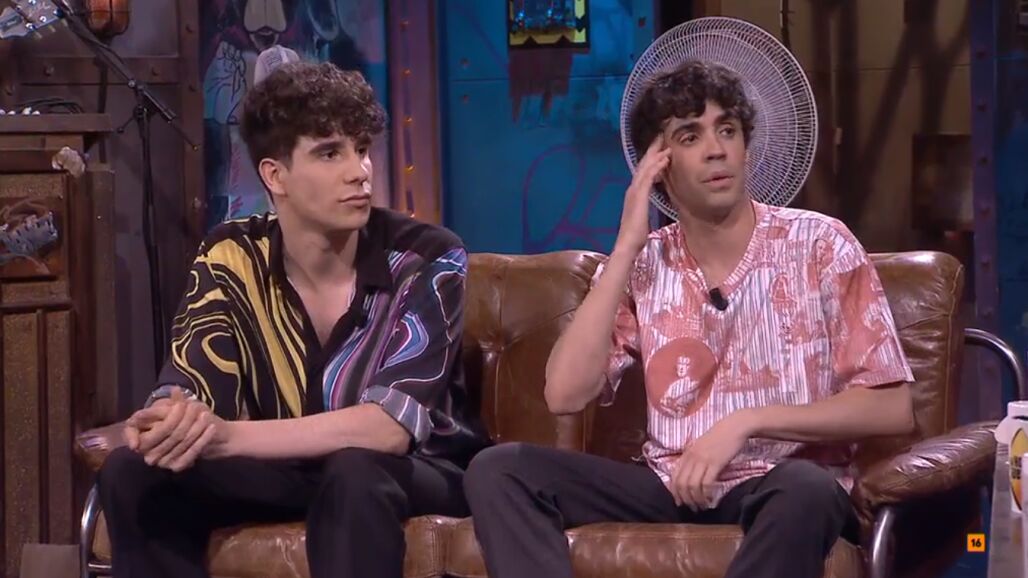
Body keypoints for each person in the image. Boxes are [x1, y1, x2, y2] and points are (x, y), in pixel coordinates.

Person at [463, 59, 916, 578]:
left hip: (781, 485)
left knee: (806, 488)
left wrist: (747, 422)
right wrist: (626, 246)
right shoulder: (644, 262)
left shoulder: (820, 243)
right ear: (658, 165)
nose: (716, 149)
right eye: (689, 136)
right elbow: (564, 394)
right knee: (501, 469)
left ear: (746, 146)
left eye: (727, 130)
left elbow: (891, 407)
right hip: (669, 485)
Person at [97, 60, 490, 578]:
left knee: (354, 469)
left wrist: (227, 437)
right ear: (274, 175)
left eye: (362, 149)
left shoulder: (427, 257)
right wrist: (171, 419)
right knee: (134, 472)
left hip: (415, 470)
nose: (360, 171)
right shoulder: (231, 255)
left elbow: (388, 429)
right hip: (289, 470)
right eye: (330, 153)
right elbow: (192, 382)